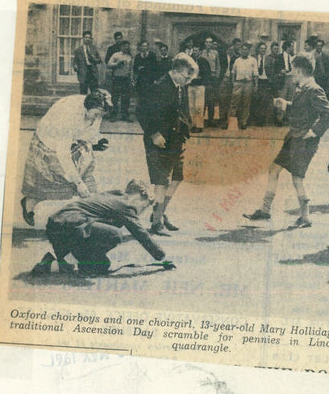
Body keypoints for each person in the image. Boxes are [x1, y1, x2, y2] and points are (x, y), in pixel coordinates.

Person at [243, 55, 329, 228]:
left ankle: (306, 217)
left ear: (299, 71)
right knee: (274, 169)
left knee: (297, 179)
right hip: (293, 137)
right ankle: (265, 210)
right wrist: (286, 105)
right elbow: (303, 110)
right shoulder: (303, 88)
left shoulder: (314, 89)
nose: (291, 73)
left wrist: (313, 132)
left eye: (293, 69)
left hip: (304, 142)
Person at [31, 179, 175, 276]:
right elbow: (141, 234)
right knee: (115, 235)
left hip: (60, 226)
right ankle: (66, 262)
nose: (141, 212)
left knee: (102, 265)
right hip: (68, 226)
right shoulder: (127, 205)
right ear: (138, 197)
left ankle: (50, 263)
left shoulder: (116, 195)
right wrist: (162, 258)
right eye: (144, 207)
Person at [20, 90, 113, 226]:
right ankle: (29, 203)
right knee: (51, 181)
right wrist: (78, 183)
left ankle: (94, 212)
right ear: (87, 107)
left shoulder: (96, 108)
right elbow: (63, 153)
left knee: (86, 171)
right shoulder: (69, 115)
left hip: (73, 139)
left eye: (100, 115)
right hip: (50, 141)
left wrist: (97, 140)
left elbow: (92, 129)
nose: (96, 118)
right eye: (96, 115)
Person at [138, 53, 198, 236]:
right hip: (159, 141)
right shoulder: (158, 86)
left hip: (177, 139)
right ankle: (156, 224)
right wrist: (153, 133)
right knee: (161, 182)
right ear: (177, 71)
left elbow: (181, 111)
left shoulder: (180, 86)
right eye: (187, 77)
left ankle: (160, 213)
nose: (188, 81)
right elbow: (141, 111)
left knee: (178, 178)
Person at [228, 42, 258, 129]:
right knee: (234, 103)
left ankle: (243, 122)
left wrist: (256, 85)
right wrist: (234, 83)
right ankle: (231, 122)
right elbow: (233, 72)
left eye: (246, 50)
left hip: (248, 83)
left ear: (249, 51)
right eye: (243, 49)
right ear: (241, 50)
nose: (244, 51)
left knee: (246, 103)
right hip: (238, 83)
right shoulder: (237, 60)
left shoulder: (253, 60)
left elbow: (255, 74)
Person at [107, 40, 134, 121]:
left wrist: (131, 78)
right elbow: (108, 64)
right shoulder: (116, 55)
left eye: (127, 46)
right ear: (121, 46)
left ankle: (125, 115)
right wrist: (117, 63)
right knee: (115, 98)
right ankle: (113, 115)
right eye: (125, 46)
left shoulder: (129, 56)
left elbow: (131, 69)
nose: (126, 47)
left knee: (126, 98)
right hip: (117, 79)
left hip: (126, 79)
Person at [217, 38, 241, 128]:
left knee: (232, 100)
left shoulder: (237, 57)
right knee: (223, 100)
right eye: (229, 49)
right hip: (223, 79)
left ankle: (230, 121)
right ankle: (222, 120)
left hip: (233, 80)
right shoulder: (221, 55)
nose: (231, 50)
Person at [133, 40, 158, 116]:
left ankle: (149, 113)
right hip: (141, 79)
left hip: (150, 79)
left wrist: (154, 79)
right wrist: (138, 68)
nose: (145, 47)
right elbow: (135, 67)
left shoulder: (152, 55)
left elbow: (155, 67)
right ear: (140, 47)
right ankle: (141, 113)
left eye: (146, 46)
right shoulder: (138, 56)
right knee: (141, 96)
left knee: (149, 96)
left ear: (148, 47)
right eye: (143, 46)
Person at [73, 30, 103, 95]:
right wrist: (75, 67)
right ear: (83, 38)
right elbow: (75, 62)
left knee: (94, 92)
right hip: (83, 73)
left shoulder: (94, 48)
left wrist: (94, 59)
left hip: (92, 73)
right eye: (86, 37)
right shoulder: (78, 50)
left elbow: (100, 60)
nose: (87, 39)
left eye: (89, 38)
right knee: (83, 92)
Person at [199, 36, 221, 125]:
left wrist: (217, 76)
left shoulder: (215, 53)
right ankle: (202, 119)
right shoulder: (201, 53)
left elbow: (218, 65)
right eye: (207, 42)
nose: (209, 44)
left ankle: (211, 120)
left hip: (212, 77)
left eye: (210, 42)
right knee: (203, 99)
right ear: (205, 43)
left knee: (211, 99)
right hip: (204, 78)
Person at [187, 44, 207, 132]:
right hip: (191, 86)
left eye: (196, 51)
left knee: (199, 106)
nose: (195, 52)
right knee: (191, 106)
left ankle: (199, 125)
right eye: (194, 50)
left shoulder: (203, 61)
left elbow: (207, 74)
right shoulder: (189, 62)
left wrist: (201, 78)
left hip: (200, 86)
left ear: (200, 52)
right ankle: (193, 124)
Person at [251, 42, 272, 126]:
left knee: (264, 101)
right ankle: (253, 119)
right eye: (261, 48)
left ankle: (261, 120)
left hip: (265, 81)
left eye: (264, 48)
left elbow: (272, 72)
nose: (263, 50)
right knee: (255, 99)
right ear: (258, 49)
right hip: (256, 80)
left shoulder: (269, 59)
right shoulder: (253, 58)